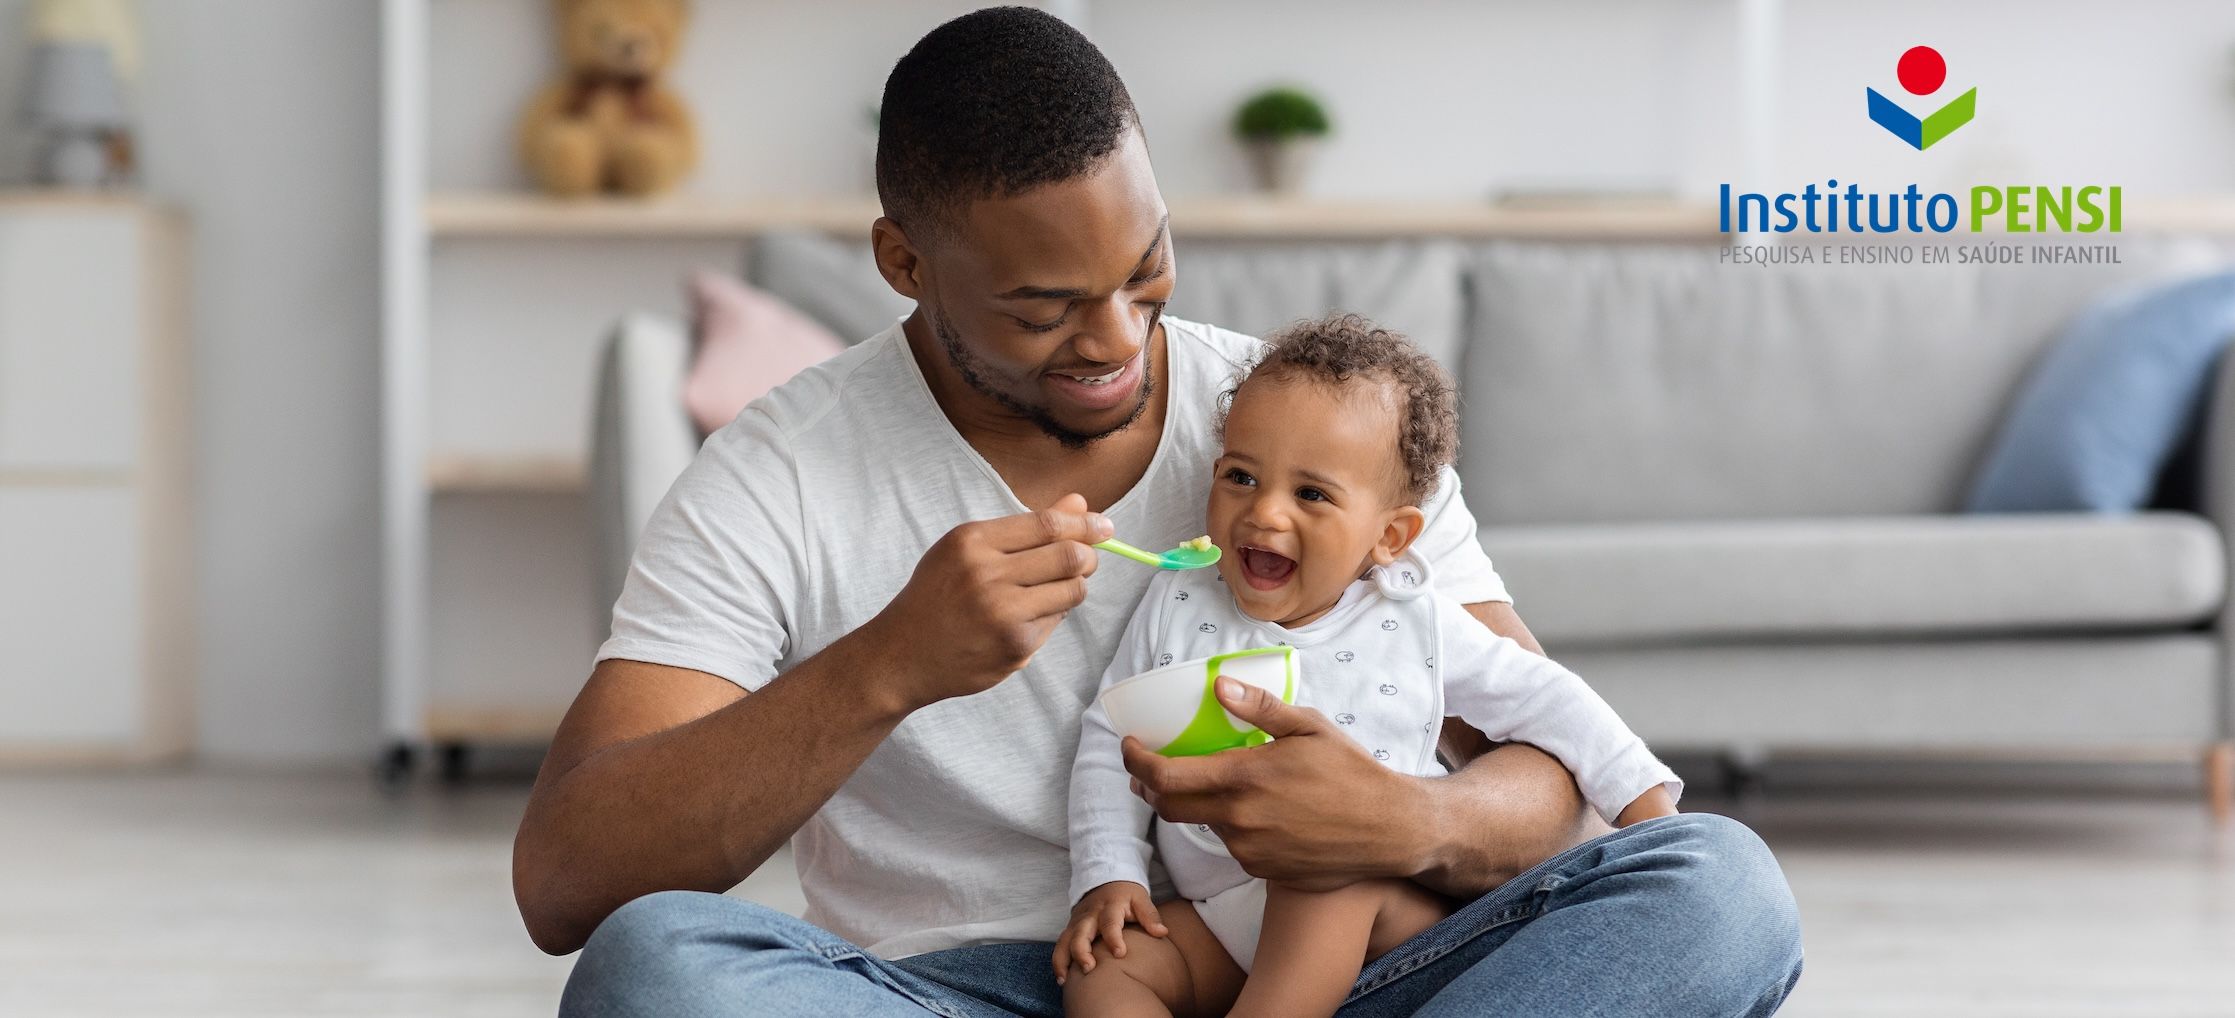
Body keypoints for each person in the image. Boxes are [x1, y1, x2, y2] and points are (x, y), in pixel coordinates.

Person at [522, 8, 1803, 1016]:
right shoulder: (779, 474)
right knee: (658, 971)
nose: (1117, 341)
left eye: (1145, 272)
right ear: (904, 262)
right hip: (947, 990)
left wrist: (1405, 819)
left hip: (1345, 960)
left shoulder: (1307, 425)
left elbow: (1545, 768)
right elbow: (568, 880)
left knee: (1721, 891)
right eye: (1043, 308)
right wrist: (886, 667)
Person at [1056, 314, 1684, 1018]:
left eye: (1311, 495)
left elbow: (1547, 700)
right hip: (1221, 916)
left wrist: (1647, 814)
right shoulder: (1177, 598)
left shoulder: (1412, 619)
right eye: (1239, 476)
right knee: (1105, 965)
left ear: (1388, 536)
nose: (1261, 513)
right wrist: (1109, 878)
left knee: (1324, 871)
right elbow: (1110, 739)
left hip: (1374, 907)